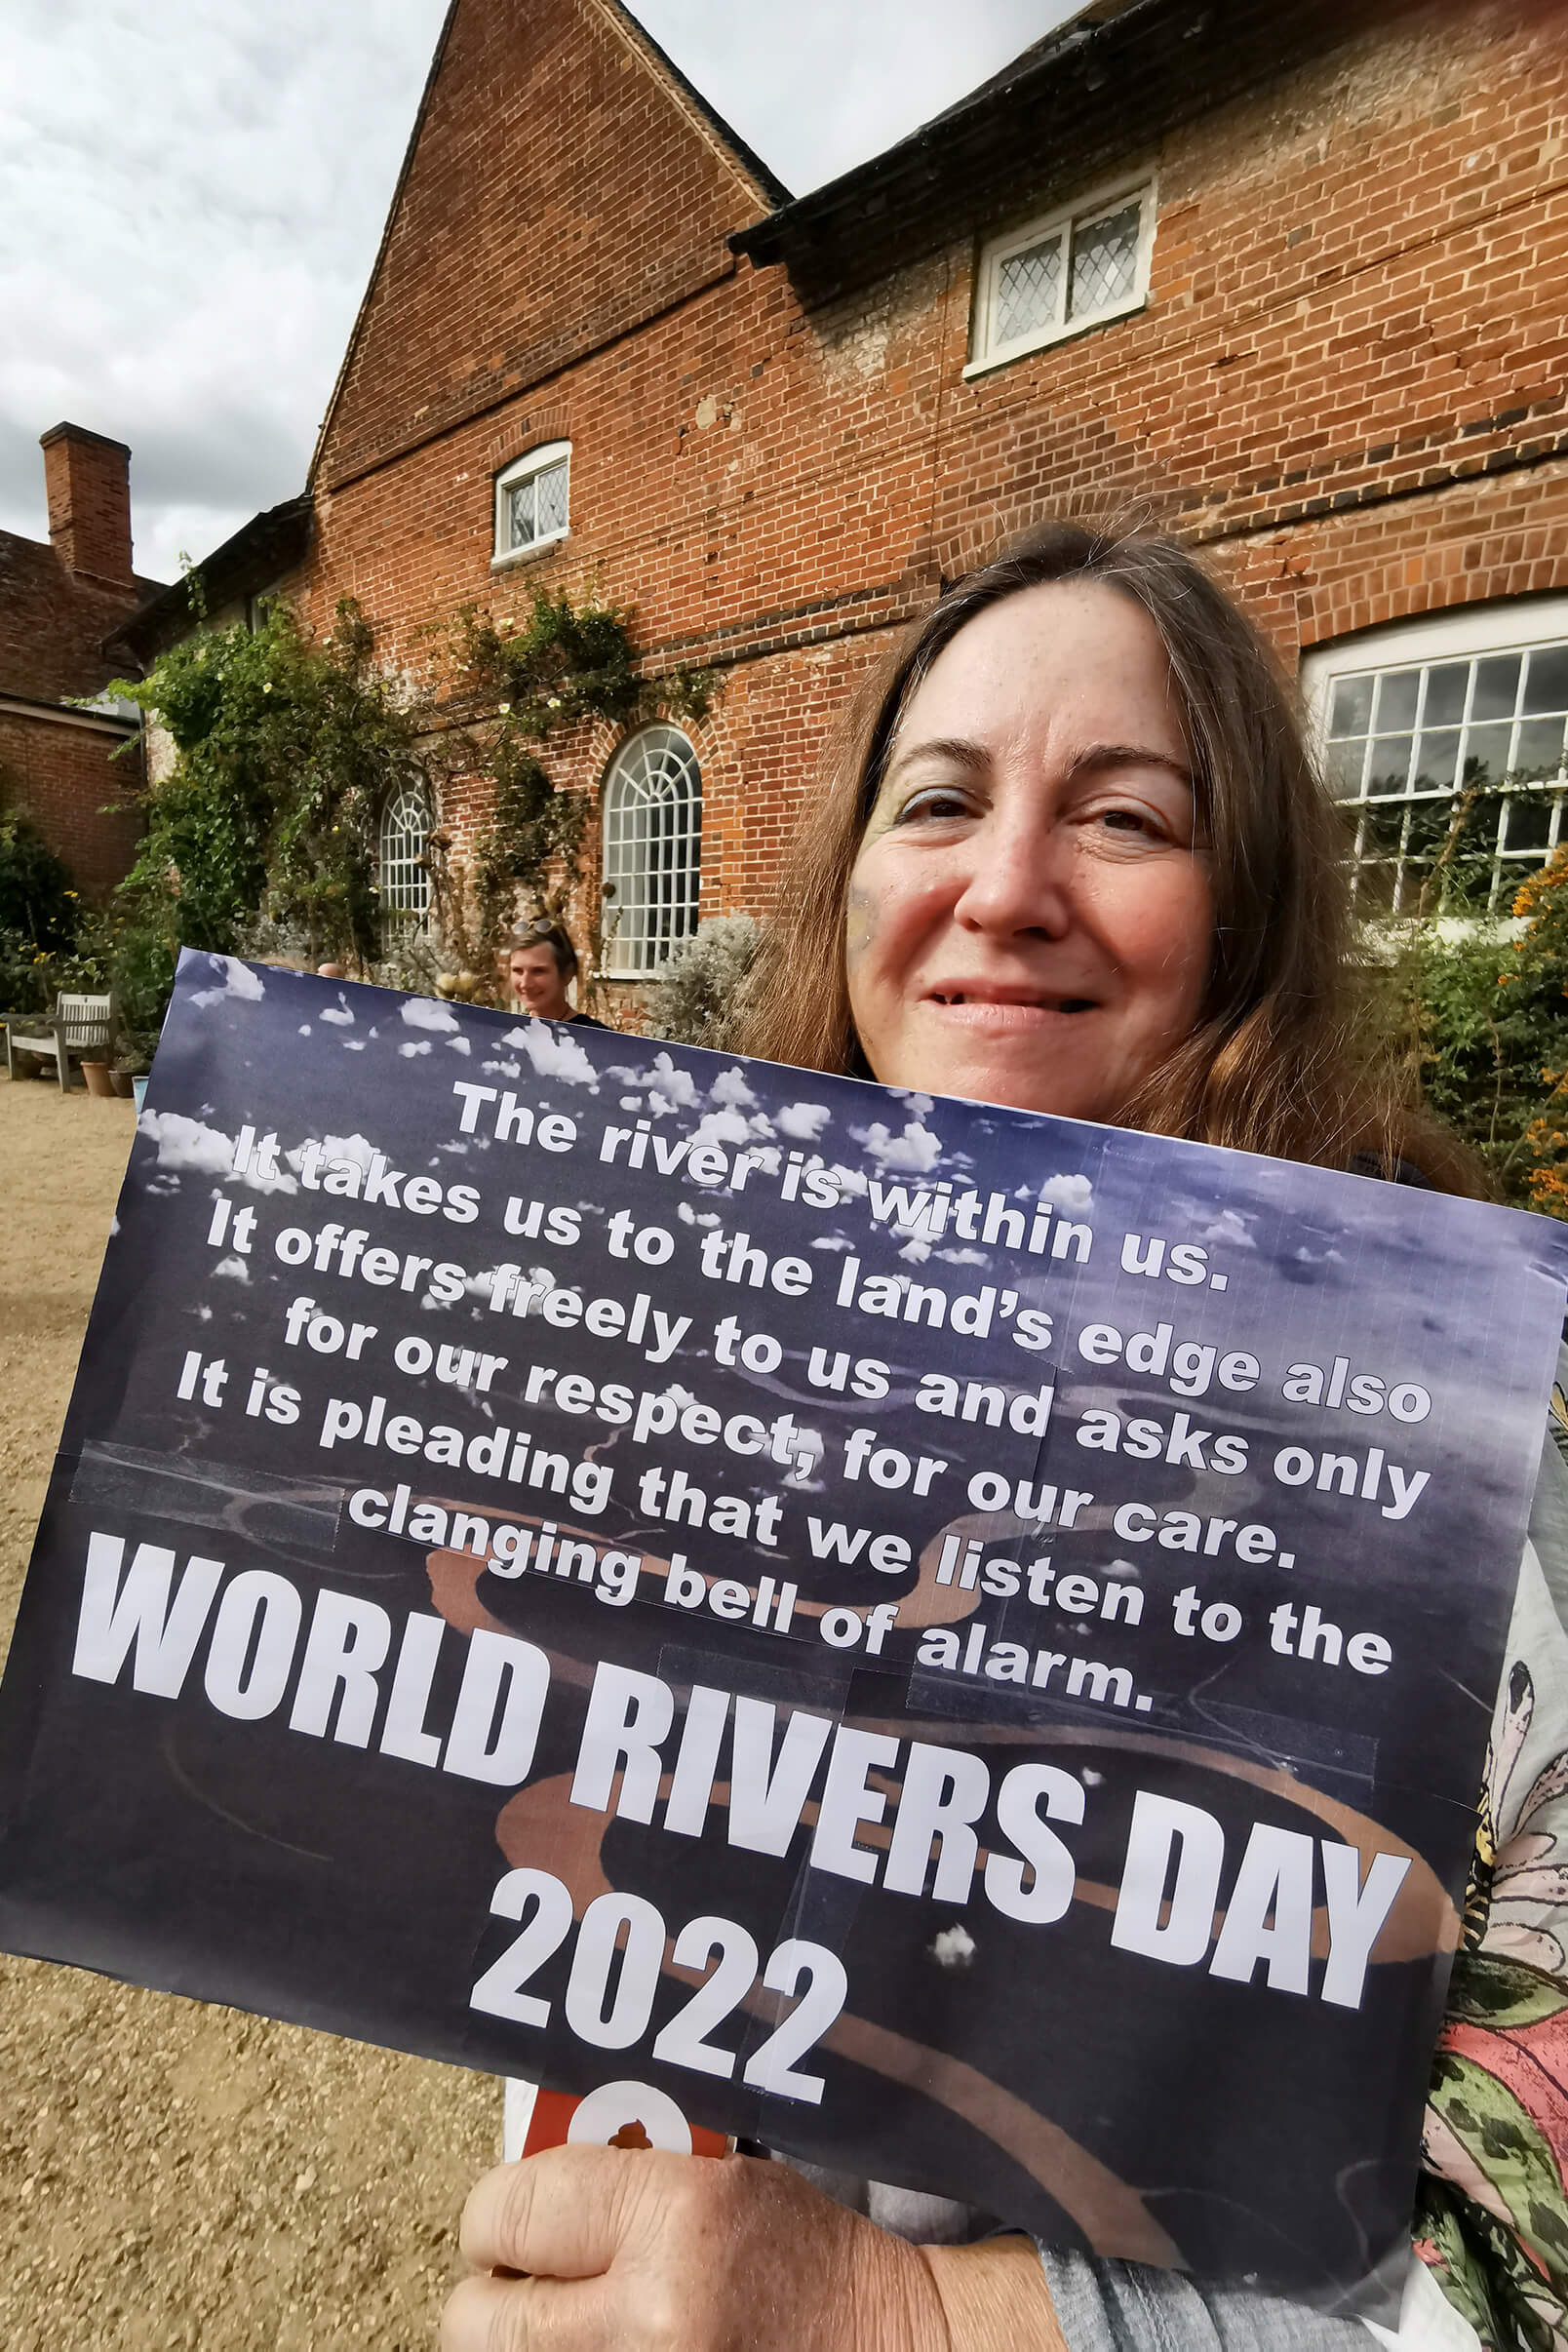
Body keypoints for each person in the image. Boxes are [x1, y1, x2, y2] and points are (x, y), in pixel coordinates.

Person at [444, 523, 1568, 2352]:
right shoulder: (719, 1343)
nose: (1005, 886)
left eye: (1122, 818)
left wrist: (900, 2320)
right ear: (852, 882)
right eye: (938, 800)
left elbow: (1528, 2245)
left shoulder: (1453, 1453)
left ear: (1246, 916)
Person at [504, 920, 608, 1028]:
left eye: (538, 971)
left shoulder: (599, 1039)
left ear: (568, 973)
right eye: (517, 971)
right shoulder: (504, 1034)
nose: (525, 984)